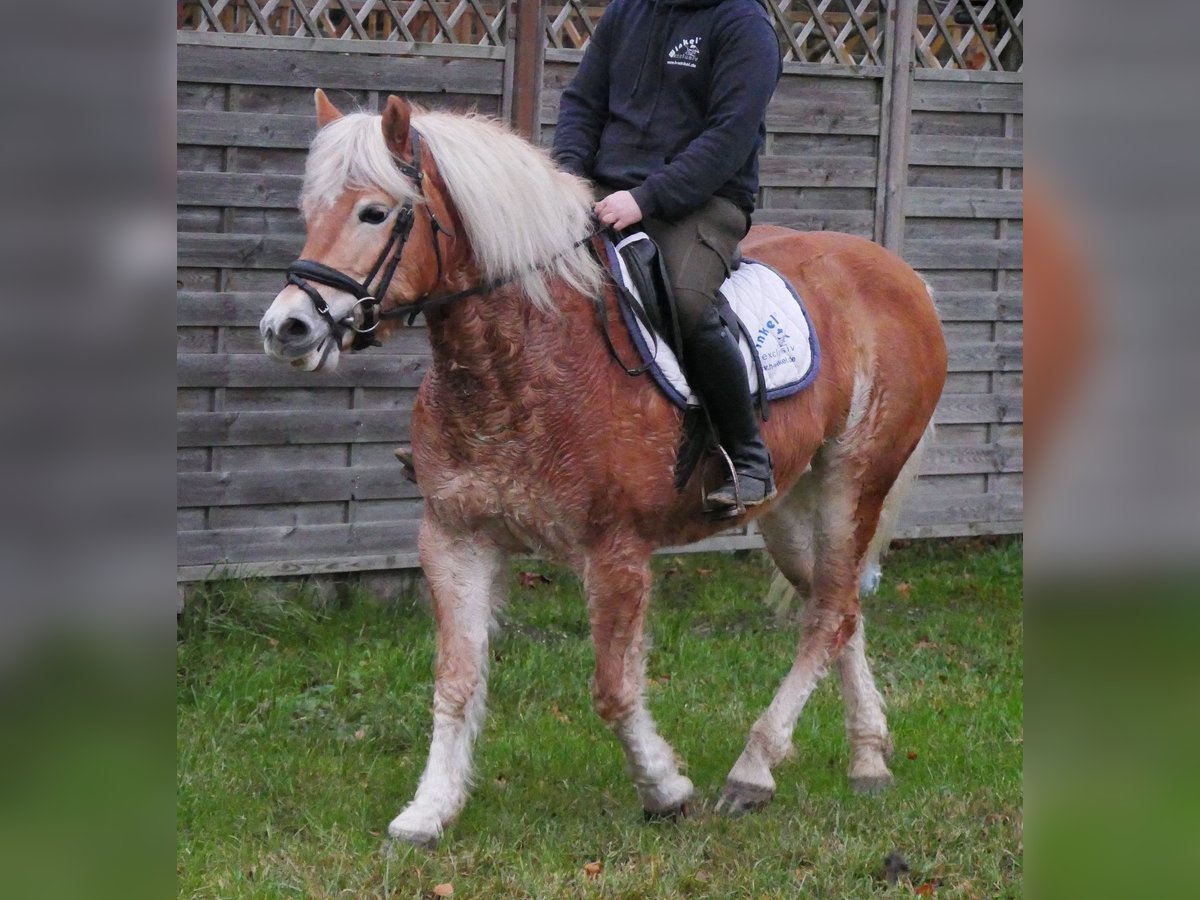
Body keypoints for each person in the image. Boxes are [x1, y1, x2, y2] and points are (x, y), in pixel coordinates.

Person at [552, 0, 783, 509]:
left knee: (683, 301)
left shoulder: (744, 27)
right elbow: (582, 104)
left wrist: (645, 200)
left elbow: (729, 137)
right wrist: (569, 179)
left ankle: (747, 458)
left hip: (702, 202)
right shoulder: (625, 13)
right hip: (603, 193)